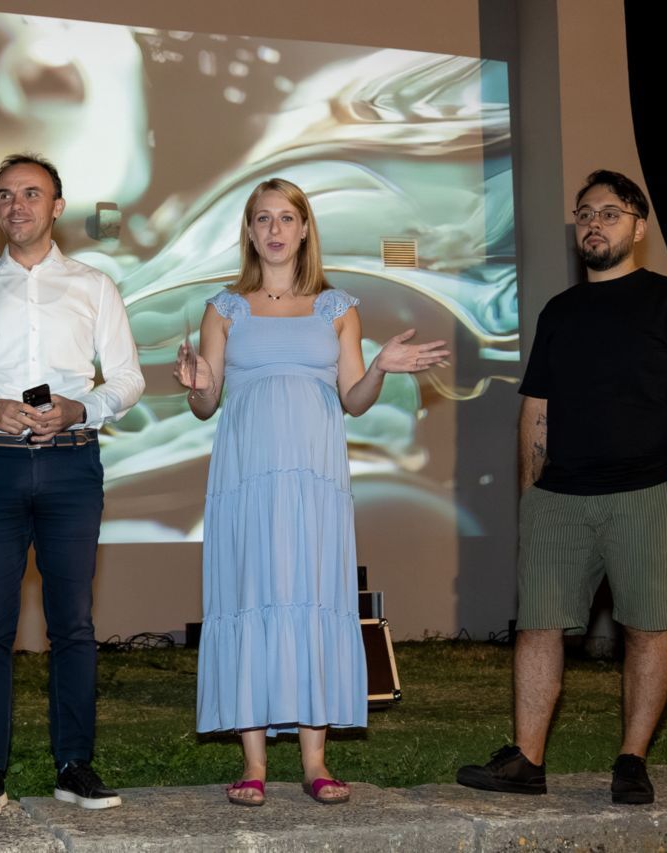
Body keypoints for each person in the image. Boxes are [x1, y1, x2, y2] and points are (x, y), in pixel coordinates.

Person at [456, 170, 667, 805]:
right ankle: (527, 760)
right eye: (584, 214)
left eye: (610, 213)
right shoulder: (561, 311)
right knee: (538, 627)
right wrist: (531, 496)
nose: (594, 224)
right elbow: (536, 408)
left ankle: (631, 762)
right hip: (559, 499)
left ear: (638, 226)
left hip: (646, 493)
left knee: (646, 629)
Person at [175, 177, 449, 806]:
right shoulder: (225, 308)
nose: (274, 229)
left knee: (314, 595)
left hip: (314, 479)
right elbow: (206, 402)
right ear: (250, 232)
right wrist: (196, 383)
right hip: (248, 477)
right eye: (262, 218)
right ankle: (253, 764)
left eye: (286, 218)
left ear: (304, 230)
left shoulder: (337, 307)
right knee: (251, 594)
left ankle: (315, 761)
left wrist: (378, 368)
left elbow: (353, 399)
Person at [0, 153, 144, 815]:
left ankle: (74, 766)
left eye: (30, 193)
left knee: (72, 624)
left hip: (72, 466)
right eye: (4, 195)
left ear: (57, 206)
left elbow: (127, 378)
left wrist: (82, 407)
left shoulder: (94, 285)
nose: (15, 206)